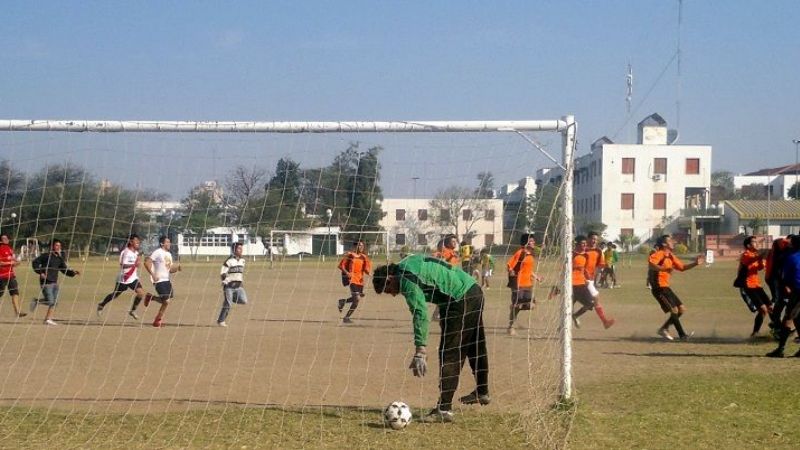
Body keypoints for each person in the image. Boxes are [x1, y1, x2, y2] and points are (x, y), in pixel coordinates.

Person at [372, 254, 489, 423]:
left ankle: (444, 409)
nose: (392, 295)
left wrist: (420, 350)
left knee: (449, 353)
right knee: (475, 345)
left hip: (459, 299)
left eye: (389, 290)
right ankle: (482, 391)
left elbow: (420, 312)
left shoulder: (405, 279)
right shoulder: (407, 263)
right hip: (473, 290)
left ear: (390, 279)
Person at [648, 234, 704, 341]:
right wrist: (663, 269)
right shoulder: (660, 254)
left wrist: (695, 263)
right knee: (674, 310)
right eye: (670, 240)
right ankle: (682, 335)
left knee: (681, 310)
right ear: (664, 244)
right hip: (659, 288)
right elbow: (651, 264)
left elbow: (682, 267)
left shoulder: (671, 256)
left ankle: (664, 329)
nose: (673, 242)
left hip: (666, 287)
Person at [96, 234, 153, 320]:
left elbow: (137, 262)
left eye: (138, 240)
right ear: (130, 242)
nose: (138, 242)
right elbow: (123, 265)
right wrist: (134, 264)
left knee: (141, 293)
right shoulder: (125, 252)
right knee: (115, 294)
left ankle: (132, 310)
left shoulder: (136, 252)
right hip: (124, 278)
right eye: (136, 240)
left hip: (133, 278)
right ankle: (101, 304)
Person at [31, 239, 80, 325]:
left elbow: (64, 270)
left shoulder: (59, 258)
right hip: (46, 282)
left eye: (59, 246)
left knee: (54, 302)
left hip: (55, 282)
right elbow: (34, 263)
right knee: (51, 301)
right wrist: (41, 272)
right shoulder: (45, 256)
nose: (58, 247)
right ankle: (46, 319)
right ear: (52, 246)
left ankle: (40, 307)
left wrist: (73, 273)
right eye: (57, 245)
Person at [767, 234, 800, 357]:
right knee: (797, 319)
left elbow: (785, 277)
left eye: (790, 242)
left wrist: (786, 287)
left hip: (797, 291)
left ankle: (780, 349)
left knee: (787, 319)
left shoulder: (790, 257)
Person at [571, 235, 614, 329]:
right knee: (593, 299)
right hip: (580, 279)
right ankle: (604, 321)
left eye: (596, 239)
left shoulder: (598, 251)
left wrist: (603, 269)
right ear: (588, 239)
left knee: (593, 300)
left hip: (588, 279)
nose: (594, 241)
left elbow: (600, 265)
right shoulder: (583, 250)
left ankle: (575, 316)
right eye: (593, 239)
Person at [735, 236, 773, 337]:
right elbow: (753, 259)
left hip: (756, 285)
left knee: (770, 307)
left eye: (757, 242)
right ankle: (755, 333)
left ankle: (777, 328)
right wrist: (763, 253)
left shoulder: (755, 254)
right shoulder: (746, 255)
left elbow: (760, 267)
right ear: (748, 245)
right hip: (748, 285)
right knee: (763, 310)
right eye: (754, 242)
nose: (757, 244)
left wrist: (762, 257)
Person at [506, 233, 543, 335]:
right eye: (531, 241)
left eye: (533, 241)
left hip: (528, 285)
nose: (534, 242)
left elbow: (528, 270)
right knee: (517, 306)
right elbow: (509, 265)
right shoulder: (520, 253)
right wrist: (511, 272)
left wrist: (537, 277)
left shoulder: (531, 255)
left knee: (532, 305)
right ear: (526, 242)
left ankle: (514, 307)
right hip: (518, 284)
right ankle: (511, 327)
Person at [144, 236, 181, 327]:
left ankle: (151, 297)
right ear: (162, 243)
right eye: (167, 242)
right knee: (166, 301)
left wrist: (177, 268)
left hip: (167, 280)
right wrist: (153, 274)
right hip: (159, 280)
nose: (169, 244)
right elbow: (147, 262)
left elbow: (170, 270)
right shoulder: (157, 252)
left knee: (165, 300)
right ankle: (157, 320)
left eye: (169, 242)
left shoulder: (169, 255)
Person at [336, 240, 372, 324]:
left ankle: (343, 303)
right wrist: (347, 273)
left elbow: (366, 269)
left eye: (362, 246)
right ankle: (346, 317)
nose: (361, 247)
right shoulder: (350, 255)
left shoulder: (364, 257)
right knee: (357, 298)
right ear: (355, 247)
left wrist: (370, 274)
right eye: (359, 245)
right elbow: (341, 266)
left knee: (356, 300)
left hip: (360, 280)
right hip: (352, 279)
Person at [217, 242, 248, 327]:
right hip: (229, 287)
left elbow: (239, 273)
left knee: (244, 301)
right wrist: (225, 280)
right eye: (239, 248)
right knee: (228, 305)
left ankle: (229, 300)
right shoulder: (228, 261)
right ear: (234, 250)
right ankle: (221, 321)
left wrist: (241, 282)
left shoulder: (243, 261)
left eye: (241, 248)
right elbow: (223, 273)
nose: (241, 250)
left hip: (239, 287)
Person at [0, 233, 27, 318]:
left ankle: (17, 311)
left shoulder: (10, 249)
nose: (6, 239)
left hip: (11, 275)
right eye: (3, 238)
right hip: (1, 276)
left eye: (6, 238)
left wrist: (17, 262)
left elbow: (13, 262)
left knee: (15, 292)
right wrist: (11, 262)